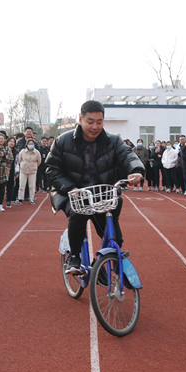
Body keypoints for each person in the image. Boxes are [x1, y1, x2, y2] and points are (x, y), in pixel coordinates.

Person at [46, 101, 144, 273]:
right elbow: (51, 169)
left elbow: (127, 155)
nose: (95, 126)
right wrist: (70, 188)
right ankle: (74, 256)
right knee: (78, 214)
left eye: (99, 122)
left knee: (115, 239)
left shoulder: (113, 141)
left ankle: (100, 264)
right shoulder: (63, 141)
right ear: (80, 119)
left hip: (102, 194)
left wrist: (135, 170)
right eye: (90, 121)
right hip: (73, 194)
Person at [16, 139, 42, 205]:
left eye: (32, 144)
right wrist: (23, 165)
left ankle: (31, 198)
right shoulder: (22, 151)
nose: (31, 145)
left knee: (32, 186)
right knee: (22, 185)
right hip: (23, 170)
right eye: (29, 144)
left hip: (32, 171)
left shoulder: (37, 152)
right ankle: (20, 198)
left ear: (34, 144)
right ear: (26, 144)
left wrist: (34, 166)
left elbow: (39, 161)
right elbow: (19, 160)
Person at [5, 137, 18, 207]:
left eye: (13, 142)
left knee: (10, 186)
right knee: (1, 186)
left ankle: (8, 200)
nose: (12, 143)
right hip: (3, 170)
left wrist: (17, 172)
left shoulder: (16, 152)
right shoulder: (4, 150)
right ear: (7, 142)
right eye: (10, 141)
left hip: (12, 170)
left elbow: (17, 162)